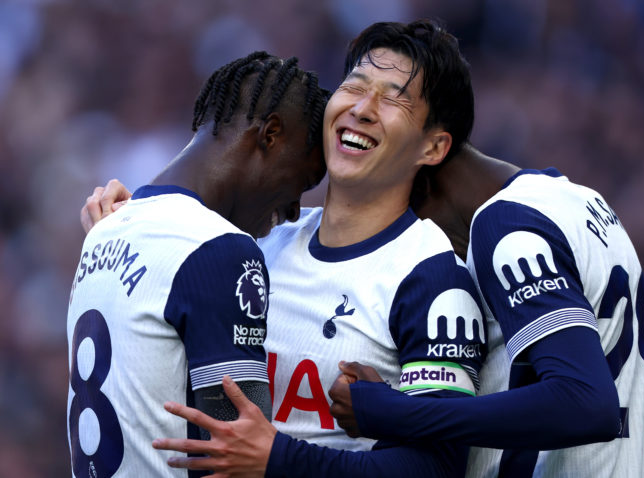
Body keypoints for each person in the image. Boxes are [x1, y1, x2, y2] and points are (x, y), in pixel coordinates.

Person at [80, 20, 487, 478]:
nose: (363, 109)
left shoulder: (432, 280)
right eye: (355, 86)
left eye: (393, 98)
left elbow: (438, 468)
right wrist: (129, 229)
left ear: (433, 147)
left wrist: (282, 461)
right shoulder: (252, 245)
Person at [67, 51, 329, 477]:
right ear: (270, 135)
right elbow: (238, 462)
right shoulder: (219, 250)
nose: (296, 211)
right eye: (301, 181)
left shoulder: (105, 230)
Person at [328, 141, 644, 477]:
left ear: (422, 186)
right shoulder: (581, 200)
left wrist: (397, 412)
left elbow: (585, 403)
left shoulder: (503, 223)